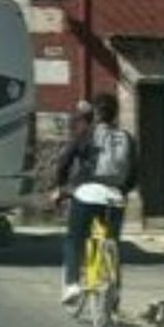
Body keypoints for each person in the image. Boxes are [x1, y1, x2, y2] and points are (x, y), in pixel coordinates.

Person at [56, 92, 138, 305]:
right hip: (115, 198)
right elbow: (134, 173)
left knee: (75, 239)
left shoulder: (87, 135)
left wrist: (61, 187)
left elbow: (64, 161)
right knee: (111, 242)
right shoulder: (127, 138)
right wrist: (122, 191)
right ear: (115, 114)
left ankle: (72, 284)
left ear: (95, 113)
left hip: (88, 195)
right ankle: (114, 293)